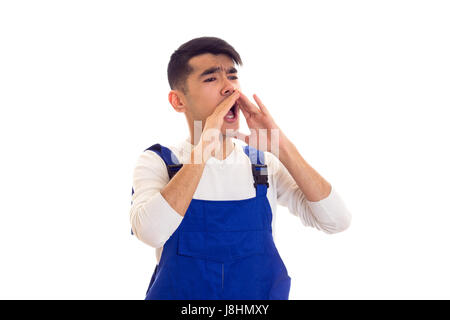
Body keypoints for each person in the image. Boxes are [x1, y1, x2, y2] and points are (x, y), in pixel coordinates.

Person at [129, 36, 352, 300]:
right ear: (178, 101)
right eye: (211, 79)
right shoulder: (159, 162)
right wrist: (203, 148)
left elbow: (337, 221)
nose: (228, 88)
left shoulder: (262, 165)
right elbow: (151, 232)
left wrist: (283, 147)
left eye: (232, 77)